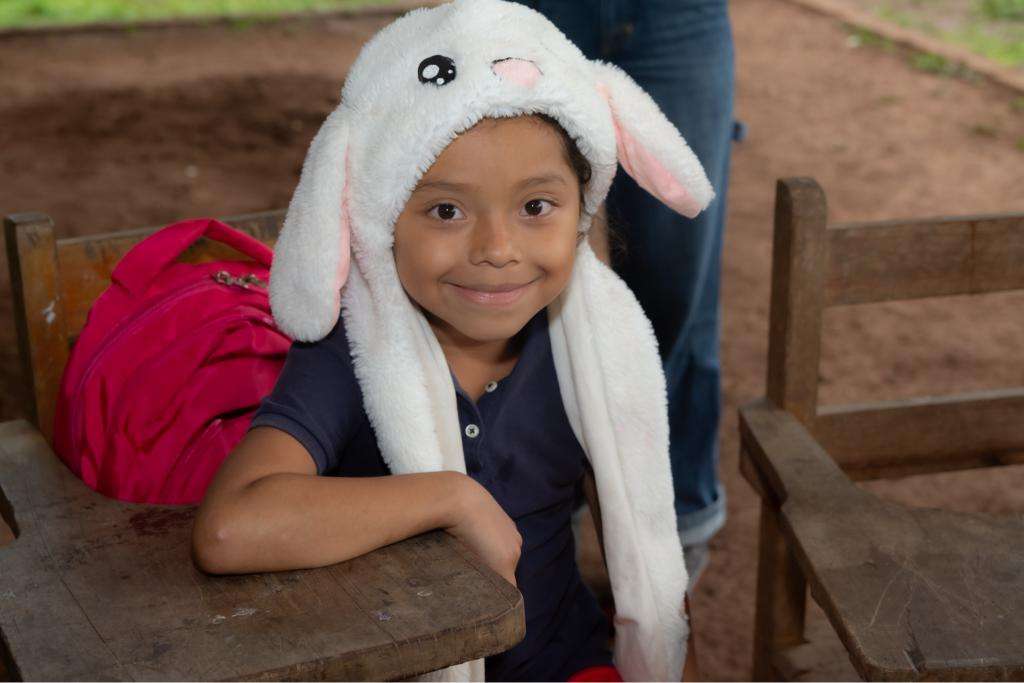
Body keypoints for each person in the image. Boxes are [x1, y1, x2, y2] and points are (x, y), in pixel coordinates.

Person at [191, 1, 714, 680]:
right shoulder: (349, 352)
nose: (497, 250)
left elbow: (647, 551)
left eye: (535, 207)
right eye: (446, 210)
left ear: (583, 211)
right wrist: (451, 497)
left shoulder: (591, 348)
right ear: (376, 218)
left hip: (566, 663)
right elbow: (230, 527)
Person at [516, 0, 737, 588]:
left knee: (678, 278)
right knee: (521, 250)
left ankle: (676, 505)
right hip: (530, 11)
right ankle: (544, 491)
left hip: (678, 15)